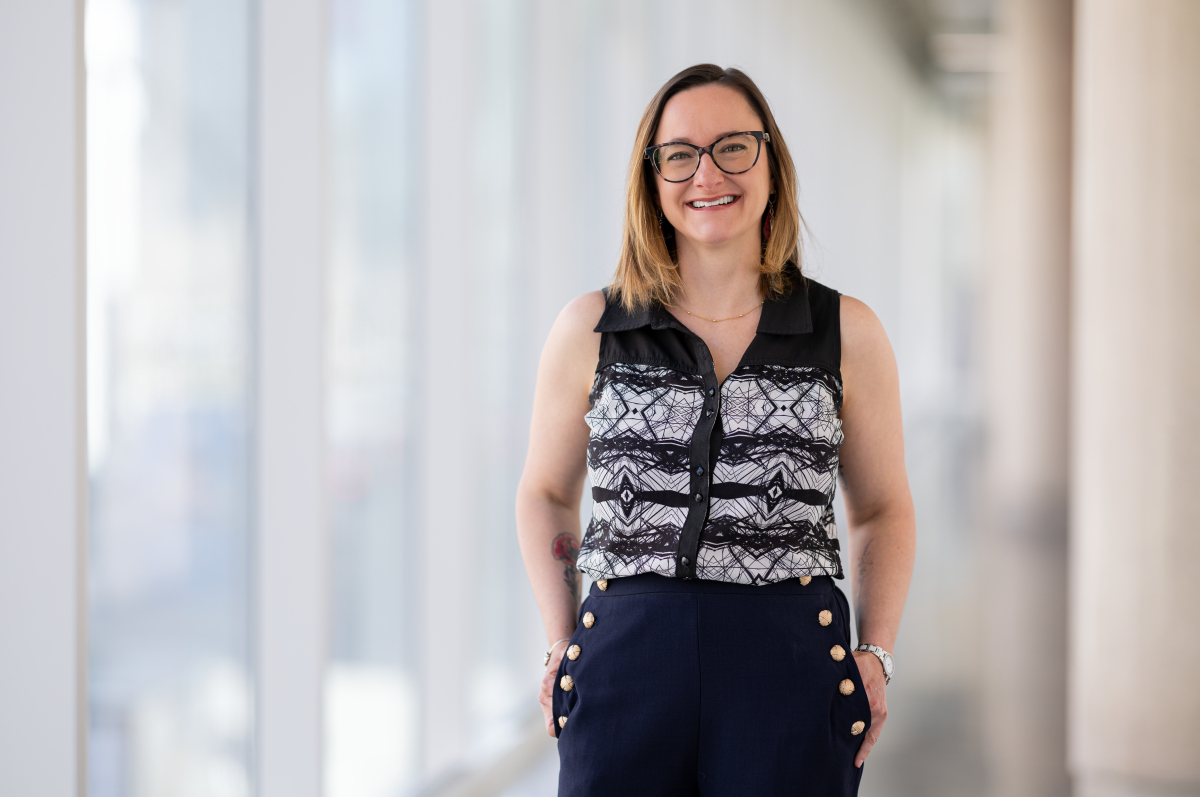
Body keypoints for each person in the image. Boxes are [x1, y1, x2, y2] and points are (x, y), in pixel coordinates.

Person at [516, 64, 916, 797]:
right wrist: (560, 633)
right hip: (621, 667)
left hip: (791, 671)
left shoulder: (846, 332)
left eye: (734, 146)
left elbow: (883, 506)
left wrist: (877, 651)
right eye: (680, 153)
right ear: (653, 176)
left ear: (771, 163)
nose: (708, 172)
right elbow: (544, 490)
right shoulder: (591, 329)